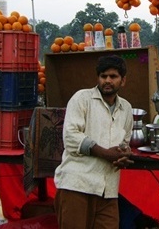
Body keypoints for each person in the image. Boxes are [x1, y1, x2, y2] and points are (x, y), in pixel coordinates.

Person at [54, 54, 134, 229]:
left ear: (123, 80)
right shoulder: (82, 99)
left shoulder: (126, 108)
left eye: (113, 77)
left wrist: (123, 155)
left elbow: (125, 142)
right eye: (103, 76)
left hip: (108, 190)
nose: (107, 80)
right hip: (77, 185)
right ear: (97, 78)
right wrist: (106, 154)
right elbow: (71, 138)